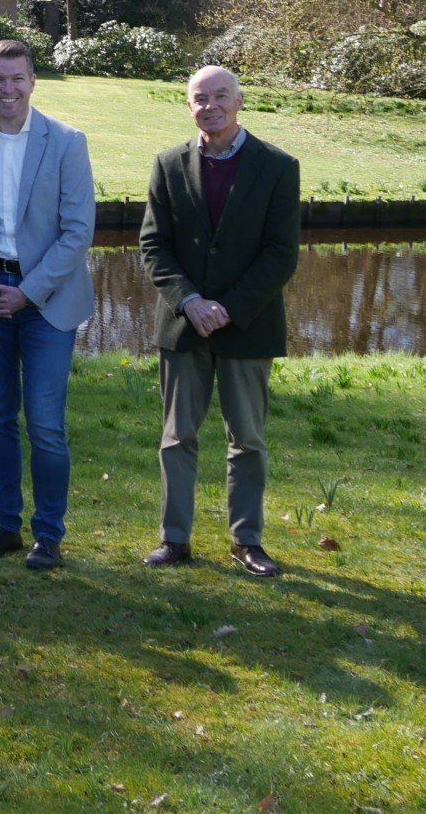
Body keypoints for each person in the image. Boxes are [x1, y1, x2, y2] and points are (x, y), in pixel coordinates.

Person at [139, 64, 301, 577]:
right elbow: (153, 247)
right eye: (200, 98)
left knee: (247, 439)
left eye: (221, 96)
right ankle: (174, 539)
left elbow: (280, 254)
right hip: (183, 326)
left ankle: (247, 541)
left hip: (247, 325)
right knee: (176, 437)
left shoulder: (277, 166)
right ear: (188, 105)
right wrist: (191, 302)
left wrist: (227, 307)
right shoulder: (167, 165)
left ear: (239, 100)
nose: (211, 105)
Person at [0, 38, 94, 571]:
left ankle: (47, 535)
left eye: (16, 78)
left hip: (47, 302)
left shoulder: (67, 142)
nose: (6, 88)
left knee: (46, 423)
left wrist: (28, 292)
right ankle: (4, 526)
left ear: (33, 82)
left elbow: (78, 233)